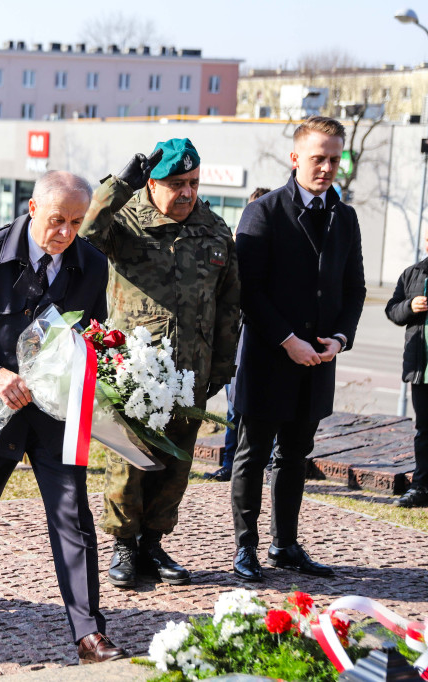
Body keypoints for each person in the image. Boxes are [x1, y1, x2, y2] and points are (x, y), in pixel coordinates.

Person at [0, 171, 127, 664]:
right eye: (56, 220)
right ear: (33, 209)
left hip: (56, 415)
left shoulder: (92, 264)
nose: (65, 232)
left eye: (76, 223)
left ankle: (88, 632)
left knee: (72, 513)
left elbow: (94, 336)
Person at [79, 139, 240, 590]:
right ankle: (124, 545)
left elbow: (229, 304)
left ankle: (153, 541)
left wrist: (221, 367)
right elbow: (83, 234)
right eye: (176, 184)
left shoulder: (214, 229)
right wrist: (117, 186)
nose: (187, 193)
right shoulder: (125, 221)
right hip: (135, 371)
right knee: (130, 461)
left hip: (191, 371)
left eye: (193, 183)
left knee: (176, 466)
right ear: (152, 182)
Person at [231, 116, 366, 581]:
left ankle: (285, 545)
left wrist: (340, 339)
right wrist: (288, 340)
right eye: (318, 158)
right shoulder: (265, 211)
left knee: (294, 457)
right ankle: (245, 548)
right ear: (295, 158)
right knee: (253, 454)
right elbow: (249, 290)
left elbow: (354, 287)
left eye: (335, 158)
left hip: (318, 362)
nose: (327, 168)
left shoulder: (345, 217)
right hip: (271, 356)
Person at [205, 186, 272, 482]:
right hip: (236, 338)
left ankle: (267, 463)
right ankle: (231, 463)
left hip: (266, 339)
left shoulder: (276, 254)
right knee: (234, 407)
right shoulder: (234, 250)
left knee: (265, 409)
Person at [386, 237, 428, 508]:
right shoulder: (412, 273)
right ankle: (422, 488)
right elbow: (393, 309)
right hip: (421, 369)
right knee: (424, 430)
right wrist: (410, 306)